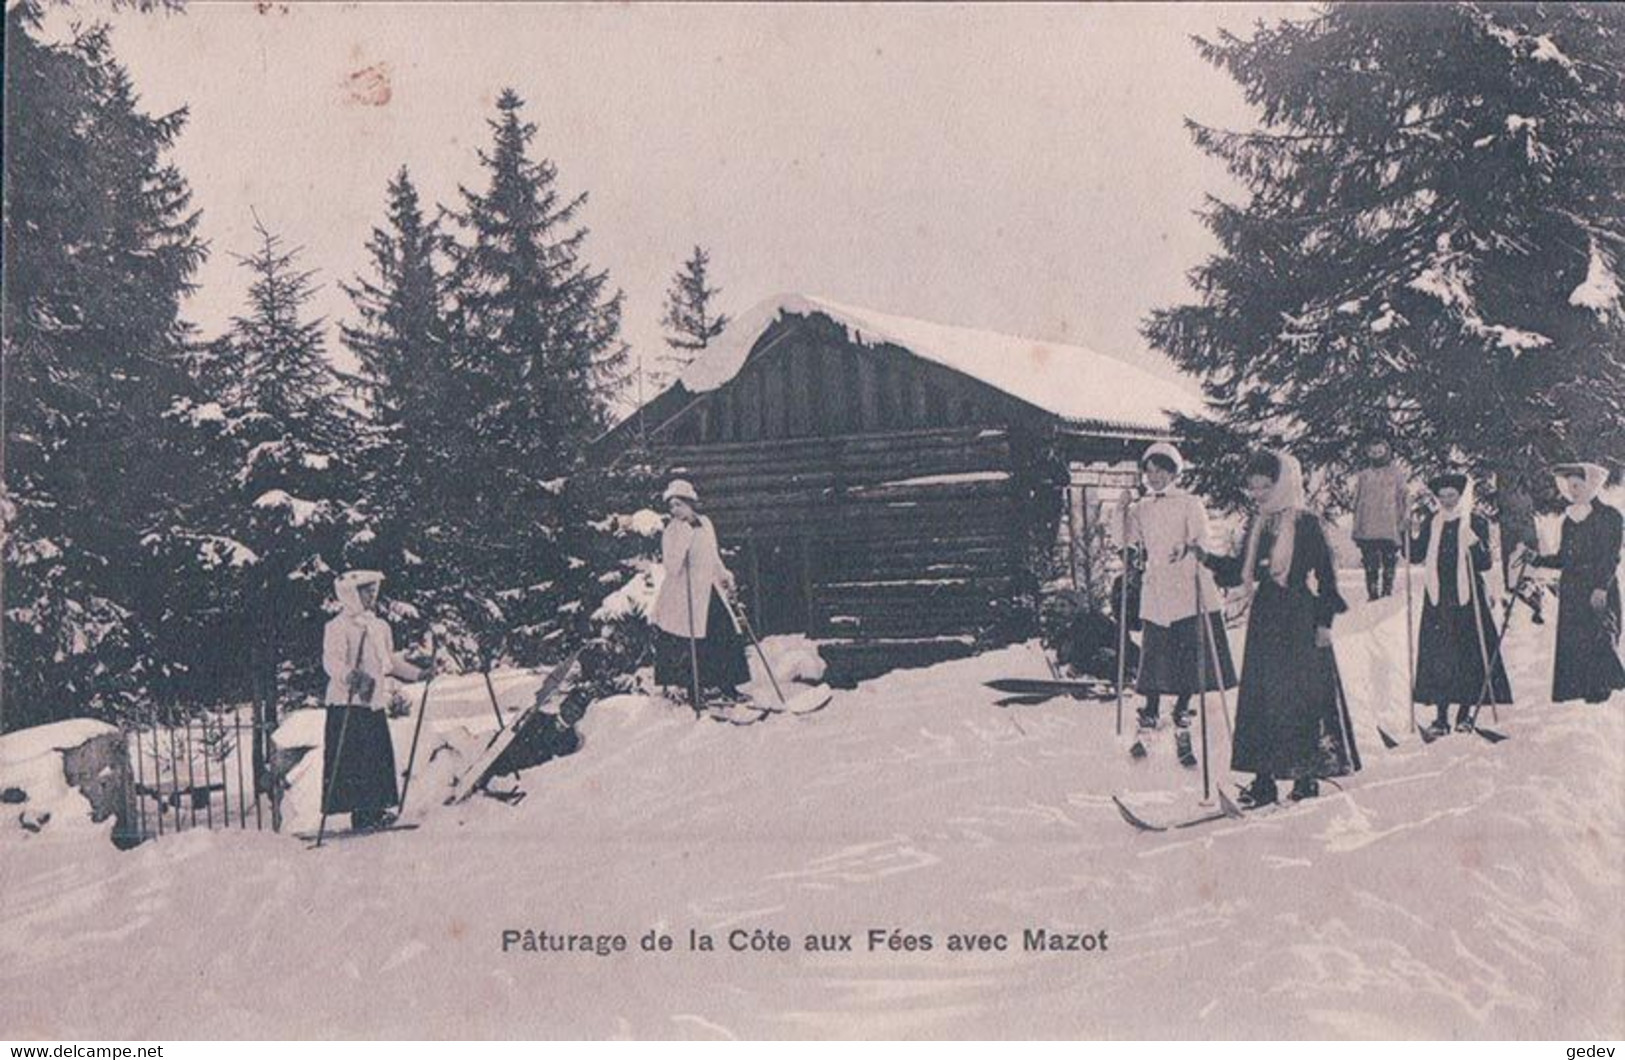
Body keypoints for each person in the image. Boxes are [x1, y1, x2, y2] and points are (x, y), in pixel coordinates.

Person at [1206, 450, 1358, 806]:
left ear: (1283, 483)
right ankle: (1263, 780)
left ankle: (1304, 777)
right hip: (1267, 617)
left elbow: (1326, 577)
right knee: (1262, 696)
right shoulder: (1259, 523)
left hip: (1300, 618)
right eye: (1253, 487)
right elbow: (1243, 571)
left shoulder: (1305, 523)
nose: (1258, 494)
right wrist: (1202, 557)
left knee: (1299, 697)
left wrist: (1324, 623)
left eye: (1265, 486)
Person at [1124, 443, 1236, 756]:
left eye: (1161, 470)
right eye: (1149, 470)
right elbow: (1129, 540)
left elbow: (1202, 539)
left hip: (1187, 583)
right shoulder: (1141, 507)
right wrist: (1123, 518)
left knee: (1188, 647)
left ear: (1174, 472)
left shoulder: (1189, 503)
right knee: (1156, 647)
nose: (1154, 476)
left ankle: (1184, 705)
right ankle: (1152, 706)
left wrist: (1188, 549)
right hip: (1157, 585)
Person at [321, 570, 427, 831]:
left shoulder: (379, 627)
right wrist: (352, 676)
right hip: (347, 704)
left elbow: (388, 662)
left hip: (373, 704)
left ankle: (376, 809)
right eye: (366, 591)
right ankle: (361, 814)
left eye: (374, 591)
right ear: (351, 595)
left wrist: (418, 673)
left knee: (376, 757)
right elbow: (331, 662)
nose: (372, 596)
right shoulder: (338, 626)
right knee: (354, 759)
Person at [1408, 473, 1513, 735]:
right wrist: (1408, 533)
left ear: (1461, 496)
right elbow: (1417, 555)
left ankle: (1465, 715)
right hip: (1439, 599)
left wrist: (1474, 543)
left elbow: (1485, 563)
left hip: (1468, 600)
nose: (1446, 501)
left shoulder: (1475, 521)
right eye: (1442, 497)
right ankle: (1441, 718)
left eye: (1451, 496)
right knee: (1441, 657)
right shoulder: (1433, 521)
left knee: (1468, 655)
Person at [1527, 463, 1625, 704]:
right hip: (1572, 588)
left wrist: (1601, 586)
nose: (1573, 491)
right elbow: (1563, 558)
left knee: (1600, 636)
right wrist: (1537, 559)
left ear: (1591, 485)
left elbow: (1611, 556)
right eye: (1570, 487)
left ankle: (1602, 690)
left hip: (1597, 586)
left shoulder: (1610, 516)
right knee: (1576, 640)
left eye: (1578, 486)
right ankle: (1580, 689)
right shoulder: (1569, 520)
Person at [649, 479, 751, 705]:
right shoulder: (673, 531)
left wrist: (724, 574)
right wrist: (683, 536)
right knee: (689, 644)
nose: (675, 510)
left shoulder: (705, 523)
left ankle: (728, 687)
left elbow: (712, 556)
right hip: (682, 596)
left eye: (679, 504)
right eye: (672, 505)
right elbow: (672, 567)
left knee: (723, 636)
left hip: (708, 591)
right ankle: (693, 692)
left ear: (690, 504)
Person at [1351, 438, 1408, 601]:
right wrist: (1357, 525)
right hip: (1368, 525)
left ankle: (1387, 590)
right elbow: (1359, 501)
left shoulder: (1396, 473)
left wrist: (1405, 517)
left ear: (1386, 452)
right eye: (1373, 452)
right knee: (1370, 561)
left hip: (1389, 524)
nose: (1376, 455)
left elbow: (1403, 496)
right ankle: (1372, 592)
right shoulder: (1364, 475)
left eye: (1380, 452)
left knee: (1389, 559)